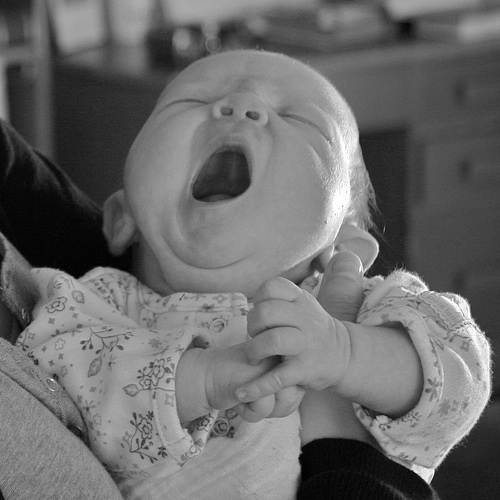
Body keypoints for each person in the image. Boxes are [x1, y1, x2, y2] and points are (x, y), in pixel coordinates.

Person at [0, 48, 487, 498]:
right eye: (192, 99)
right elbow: (53, 381)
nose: (240, 104)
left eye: (301, 120)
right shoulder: (92, 303)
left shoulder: (365, 310)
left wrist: (346, 353)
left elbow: (460, 378)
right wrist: (201, 379)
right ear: (122, 218)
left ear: (343, 245)